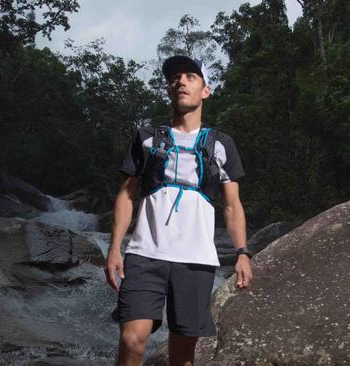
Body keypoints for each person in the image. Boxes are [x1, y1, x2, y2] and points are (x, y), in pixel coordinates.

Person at [105, 55, 253, 366]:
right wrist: (115, 248)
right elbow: (127, 193)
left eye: (190, 76)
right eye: (175, 77)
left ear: (205, 90)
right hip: (145, 253)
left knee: (183, 354)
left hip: (195, 259)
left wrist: (242, 253)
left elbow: (232, 204)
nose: (181, 81)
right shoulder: (146, 138)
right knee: (132, 340)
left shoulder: (221, 144)